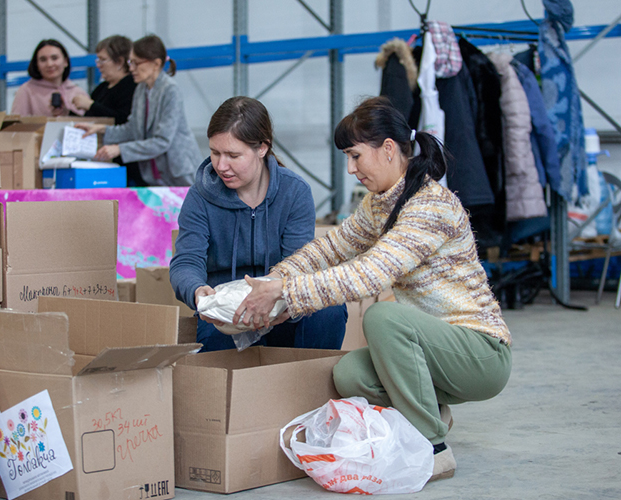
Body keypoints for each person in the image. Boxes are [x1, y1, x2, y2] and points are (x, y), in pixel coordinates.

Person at [233, 97, 512, 482]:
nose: (350, 169)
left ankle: (434, 449)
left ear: (388, 149)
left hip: (480, 353)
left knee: (383, 317)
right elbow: (329, 249)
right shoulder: (379, 203)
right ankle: (432, 413)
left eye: (355, 156)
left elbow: (369, 274)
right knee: (350, 375)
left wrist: (289, 292)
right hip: (435, 350)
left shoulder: (430, 206)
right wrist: (270, 284)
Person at [169, 96, 347, 352]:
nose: (221, 165)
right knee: (214, 335)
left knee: (329, 309)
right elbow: (186, 261)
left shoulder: (294, 192)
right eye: (215, 152)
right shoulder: (200, 197)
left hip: (282, 310)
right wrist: (198, 291)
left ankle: (310, 384)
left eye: (233, 155)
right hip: (227, 317)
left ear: (262, 148)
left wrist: (277, 299)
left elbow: (298, 262)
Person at [75, 35, 199, 187]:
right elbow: (132, 129)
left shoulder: (170, 90)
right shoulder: (141, 89)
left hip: (179, 172)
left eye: (136, 63)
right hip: (153, 175)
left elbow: (162, 141)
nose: (131, 68)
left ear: (156, 64)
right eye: (130, 62)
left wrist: (119, 149)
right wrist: (102, 130)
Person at [11, 39, 89, 117]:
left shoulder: (78, 92)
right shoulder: (26, 91)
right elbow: (15, 125)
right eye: (43, 60)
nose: (49, 64)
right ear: (37, 65)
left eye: (54, 58)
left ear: (65, 61)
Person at [72, 35, 137, 125]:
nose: (98, 65)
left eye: (103, 60)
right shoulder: (101, 88)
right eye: (98, 60)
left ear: (120, 62)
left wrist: (91, 105)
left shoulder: (132, 87)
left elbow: (123, 119)